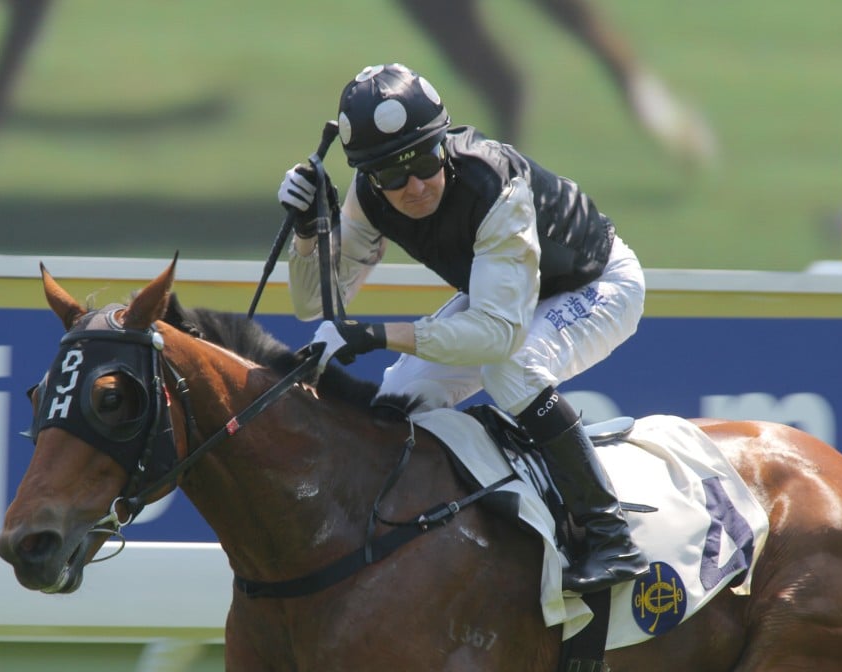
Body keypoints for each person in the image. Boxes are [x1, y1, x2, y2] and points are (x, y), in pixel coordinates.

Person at [277, 62, 647, 595]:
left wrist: (378, 335)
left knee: (511, 369)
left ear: (444, 145)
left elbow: (498, 336)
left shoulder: (494, 184)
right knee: (398, 399)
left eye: (425, 161)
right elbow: (314, 303)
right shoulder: (369, 197)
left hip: (596, 284)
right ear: (369, 176)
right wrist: (309, 232)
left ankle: (612, 536)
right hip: (512, 294)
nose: (414, 186)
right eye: (391, 175)